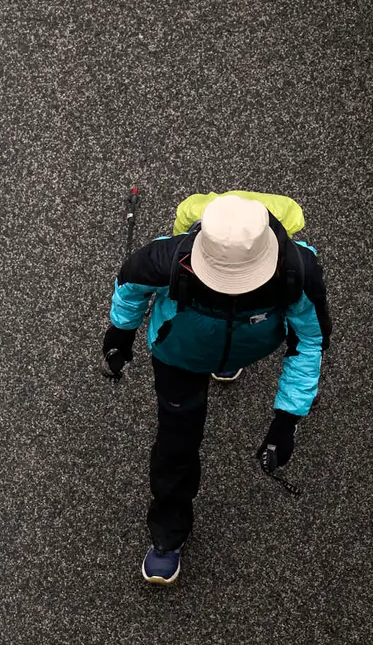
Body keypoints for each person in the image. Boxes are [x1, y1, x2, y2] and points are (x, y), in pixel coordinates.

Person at [101, 192, 331, 585]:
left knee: (228, 347)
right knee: (176, 445)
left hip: (230, 343)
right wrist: (119, 334)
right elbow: (130, 286)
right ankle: (168, 535)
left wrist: (286, 420)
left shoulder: (300, 270)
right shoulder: (166, 257)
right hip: (179, 357)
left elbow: (309, 342)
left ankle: (227, 361)